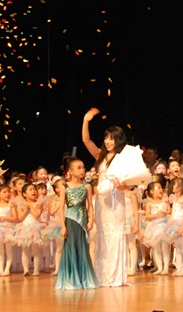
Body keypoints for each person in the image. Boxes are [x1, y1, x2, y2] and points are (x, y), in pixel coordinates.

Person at [82, 107, 129, 287]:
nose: (108, 141)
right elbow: (86, 140)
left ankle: (115, 276)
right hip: (102, 201)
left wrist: (118, 185)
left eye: (112, 138)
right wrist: (86, 120)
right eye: (106, 138)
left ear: (118, 140)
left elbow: (127, 185)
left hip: (116, 201)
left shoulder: (122, 158)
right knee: (102, 236)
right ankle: (102, 275)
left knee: (115, 235)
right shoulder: (100, 156)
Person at [55, 158, 98, 290]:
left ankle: (83, 278)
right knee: (71, 247)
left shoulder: (87, 186)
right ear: (71, 171)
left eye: (83, 167)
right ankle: (71, 278)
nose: (82, 170)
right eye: (78, 168)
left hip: (82, 220)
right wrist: (63, 226)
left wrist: (91, 220)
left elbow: (90, 205)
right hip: (70, 219)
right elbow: (61, 208)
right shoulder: (65, 187)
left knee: (82, 247)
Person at [0, 184, 17, 276]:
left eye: (8, 192)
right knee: (0, 251)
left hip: (8, 229)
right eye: (4, 192)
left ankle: (7, 269)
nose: (7, 194)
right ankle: (1, 269)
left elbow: (15, 218)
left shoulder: (11, 205)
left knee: (9, 251)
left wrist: (4, 217)